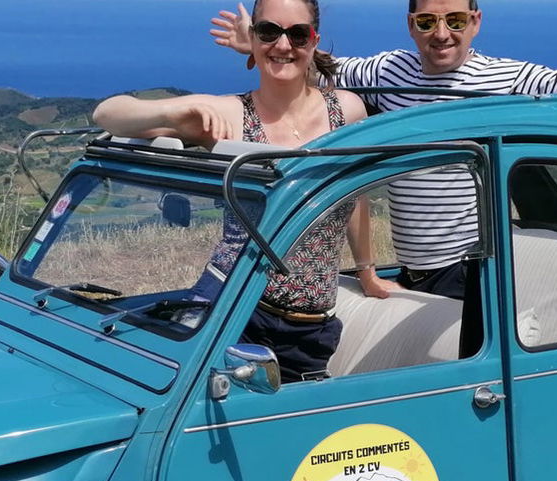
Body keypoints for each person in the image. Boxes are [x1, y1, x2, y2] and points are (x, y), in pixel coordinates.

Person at [210, 0, 557, 299]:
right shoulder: (383, 73)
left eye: (455, 20)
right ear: (411, 25)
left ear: (476, 21)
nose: (440, 33)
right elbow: (311, 66)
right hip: (413, 267)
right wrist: (259, 45)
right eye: (426, 21)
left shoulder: (502, 78)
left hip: (475, 266)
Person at [94, 0, 369, 381]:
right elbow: (108, 113)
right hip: (233, 307)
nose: (283, 44)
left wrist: (367, 271)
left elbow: (355, 196)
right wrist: (173, 113)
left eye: (297, 33)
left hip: (311, 325)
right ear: (253, 40)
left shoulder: (348, 112)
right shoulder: (229, 114)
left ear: (313, 40)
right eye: (269, 32)